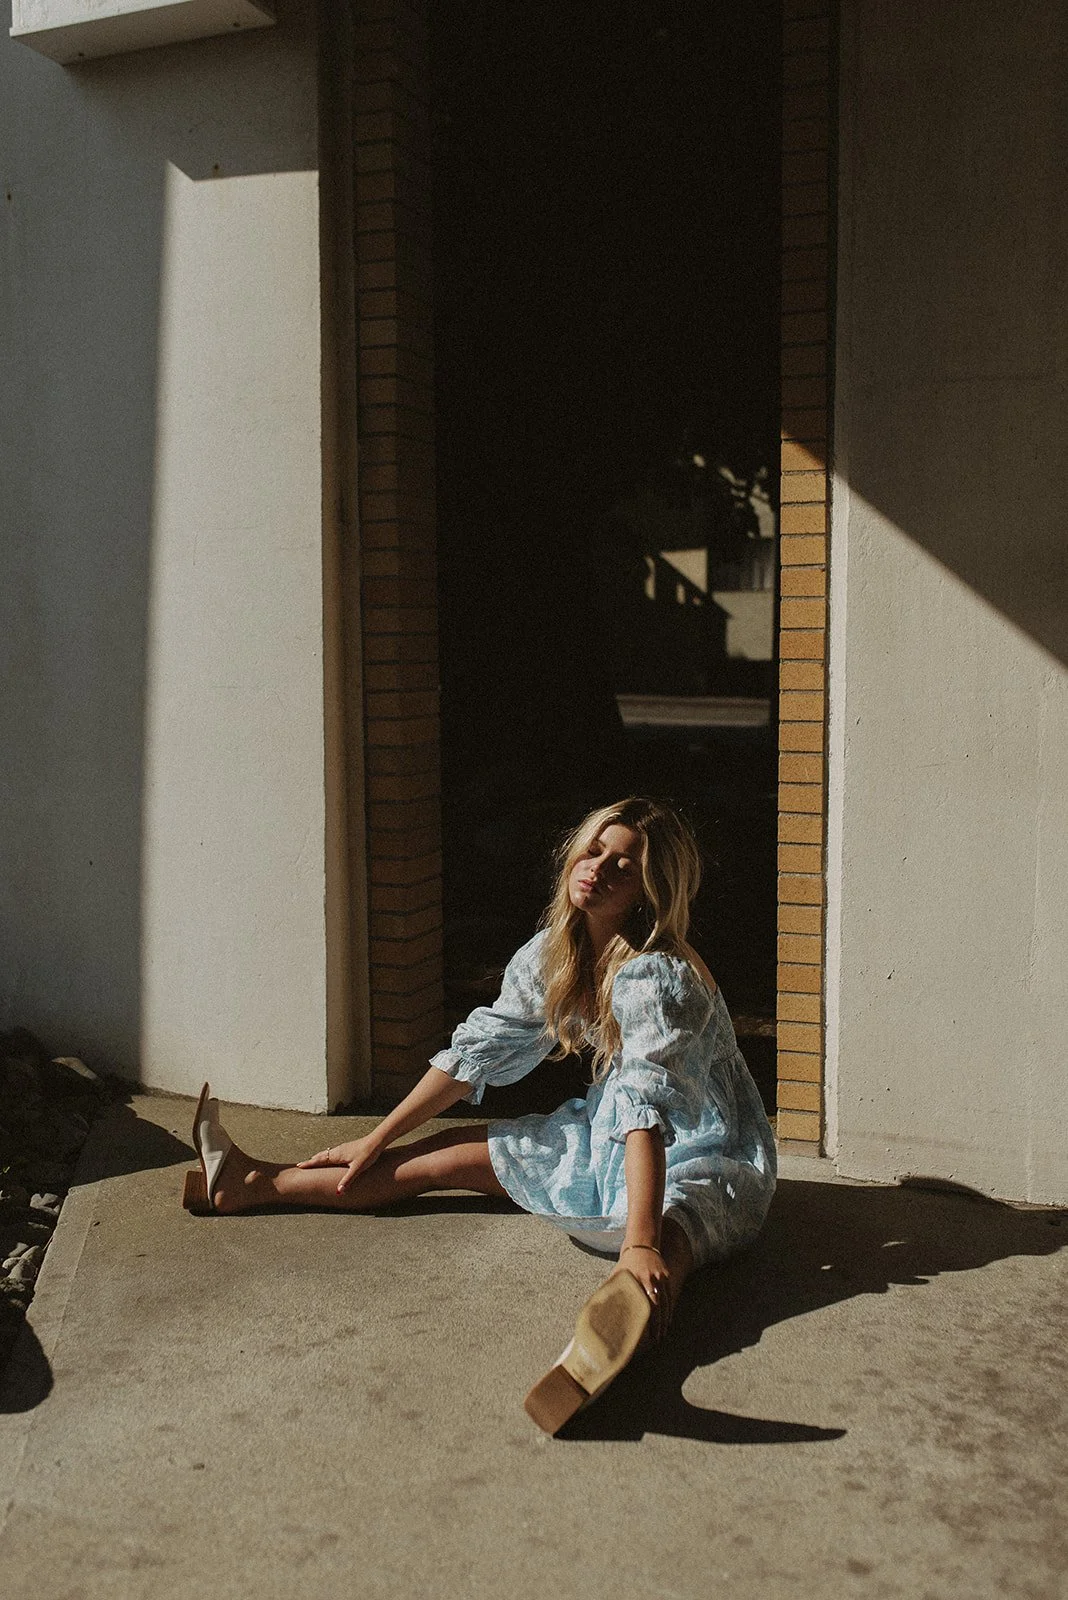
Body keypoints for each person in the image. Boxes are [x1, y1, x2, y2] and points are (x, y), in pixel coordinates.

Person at [183, 796, 777, 1433]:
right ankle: (246, 1184)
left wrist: (639, 1242)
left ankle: (601, 1365)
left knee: (667, 1238)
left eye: (624, 866)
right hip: (604, 1136)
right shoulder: (557, 953)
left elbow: (650, 1111)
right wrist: (376, 1135)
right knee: (429, 1161)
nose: (599, 867)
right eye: (596, 848)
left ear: (649, 892)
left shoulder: (659, 976)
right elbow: (476, 1054)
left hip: (706, 1150)